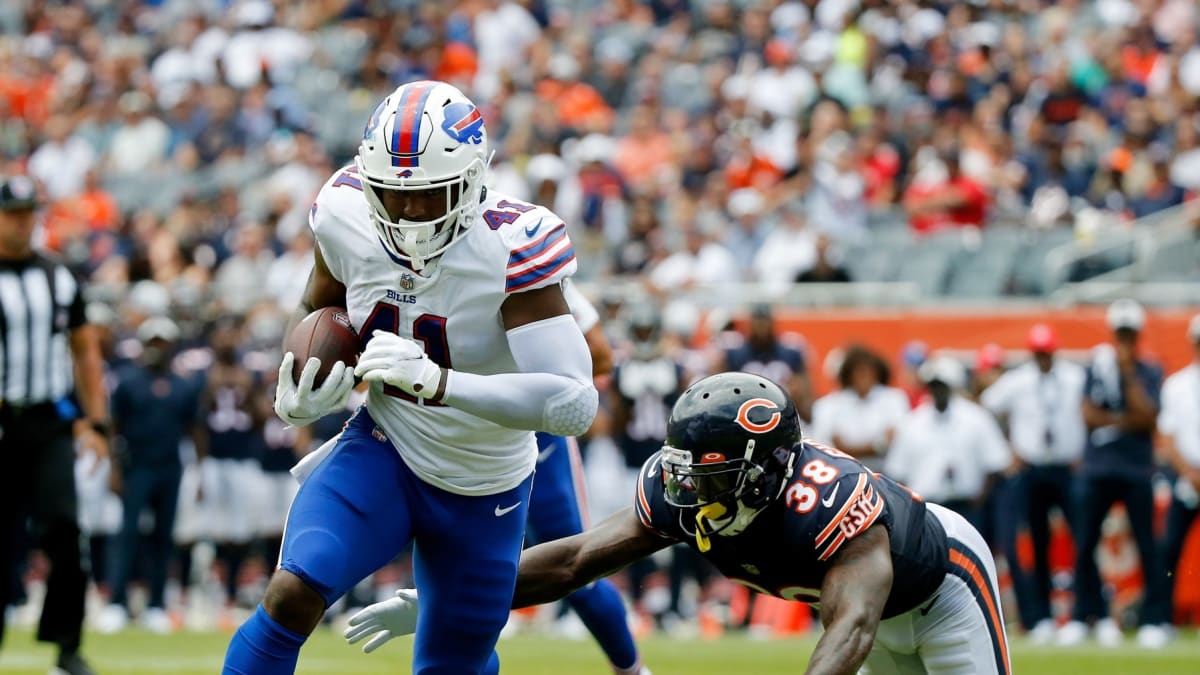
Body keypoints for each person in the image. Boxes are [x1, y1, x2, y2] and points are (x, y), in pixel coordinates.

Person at [222, 79, 598, 675]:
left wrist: (440, 383)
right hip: (385, 449)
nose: (411, 212)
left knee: (454, 664)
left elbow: (575, 402)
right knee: (291, 594)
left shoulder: (512, 244)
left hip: (485, 483)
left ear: (474, 179)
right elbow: (317, 307)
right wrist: (296, 386)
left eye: (432, 194)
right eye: (395, 196)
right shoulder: (344, 213)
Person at [347, 372, 1011, 675]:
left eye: (714, 471)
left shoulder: (832, 505)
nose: (691, 485)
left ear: (765, 470)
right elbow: (576, 559)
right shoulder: (680, 489)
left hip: (940, 588)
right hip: (872, 620)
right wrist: (450, 597)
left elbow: (854, 624)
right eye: (688, 466)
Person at [0, 175, 109, 675]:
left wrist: (96, 423)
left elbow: (85, 351)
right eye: (13, 213)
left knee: (65, 530)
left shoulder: (58, 278)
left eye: (28, 212)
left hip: (47, 423)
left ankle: (68, 647)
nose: (22, 222)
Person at [511, 279, 645, 673]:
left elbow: (599, 358)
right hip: (461, 435)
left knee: (574, 568)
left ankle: (633, 669)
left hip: (533, 438)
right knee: (463, 565)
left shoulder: (531, 262)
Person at [1058, 299, 1169, 648]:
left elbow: (1148, 417)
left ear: (1136, 335)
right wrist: (1123, 422)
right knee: (1085, 542)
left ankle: (1155, 620)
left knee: (1147, 545)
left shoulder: (1148, 370)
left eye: (1128, 333)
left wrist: (1127, 374)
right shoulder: (1097, 366)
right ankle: (1089, 615)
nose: (1123, 339)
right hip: (1098, 467)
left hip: (1136, 469)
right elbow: (1088, 415)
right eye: (1119, 332)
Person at [979, 324, 1086, 643]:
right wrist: (1005, 450)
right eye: (1038, 353)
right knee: (1036, 543)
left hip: (1067, 466)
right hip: (1032, 467)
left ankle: (1085, 614)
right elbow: (984, 407)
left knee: (1083, 539)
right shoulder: (1018, 380)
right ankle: (1041, 617)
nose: (1043, 358)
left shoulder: (1074, 378)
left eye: (1046, 352)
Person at [96, 317, 201, 635]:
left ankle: (156, 604)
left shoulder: (182, 384)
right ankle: (117, 602)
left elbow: (194, 428)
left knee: (163, 537)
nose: (157, 348)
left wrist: (200, 470)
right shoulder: (128, 381)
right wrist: (113, 470)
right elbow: (114, 427)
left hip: (170, 467)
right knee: (127, 534)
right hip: (136, 465)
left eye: (162, 342)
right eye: (152, 342)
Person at [1148, 314, 1200, 646]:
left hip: (1191, 475)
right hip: (1187, 479)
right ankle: (1159, 618)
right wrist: (1190, 472)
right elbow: (1167, 438)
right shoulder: (1178, 384)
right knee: (1169, 551)